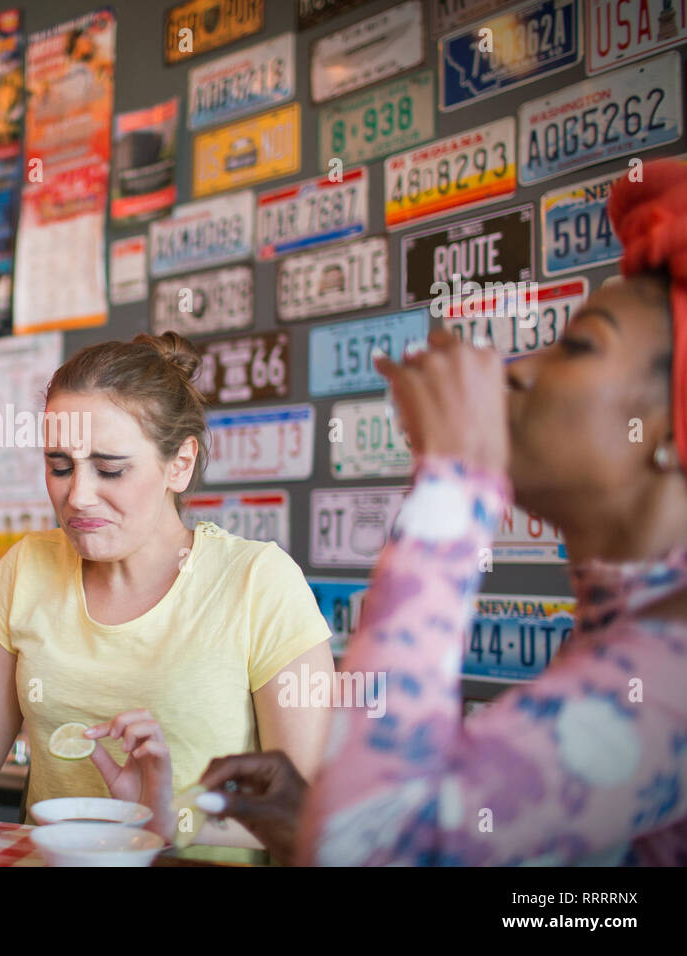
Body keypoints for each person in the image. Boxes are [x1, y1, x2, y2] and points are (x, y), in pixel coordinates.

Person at [196, 159, 687, 866]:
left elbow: (370, 850)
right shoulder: (636, 624)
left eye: (578, 346)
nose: (518, 368)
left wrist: (455, 484)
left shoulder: (670, 668)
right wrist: (313, 818)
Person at [0, 332, 334, 839]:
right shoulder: (25, 570)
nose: (79, 497)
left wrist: (162, 834)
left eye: (110, 469)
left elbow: (308, 825)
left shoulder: (259, 583)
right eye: (60, 467)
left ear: (179, 464)